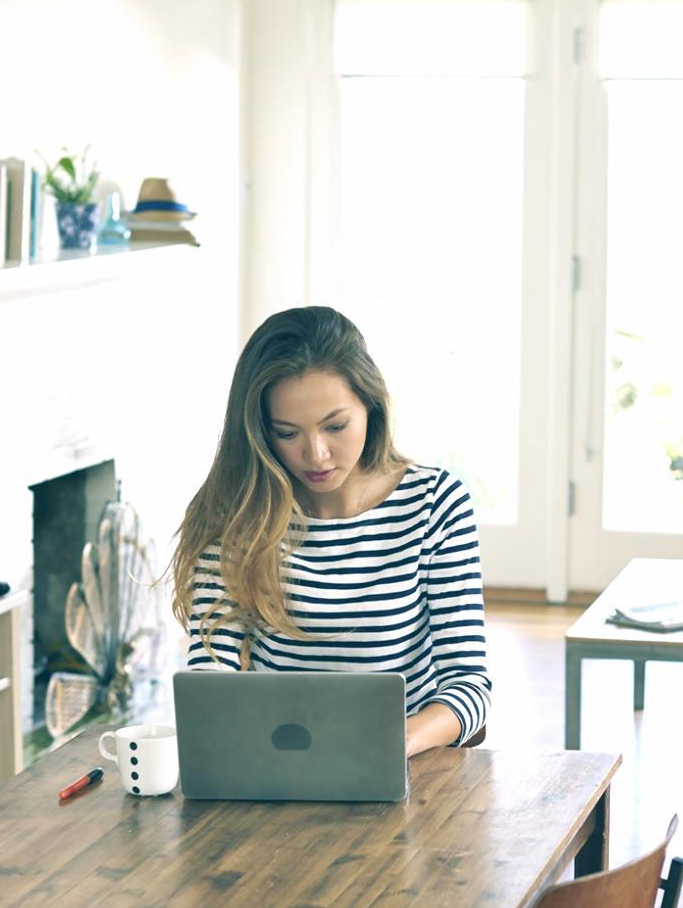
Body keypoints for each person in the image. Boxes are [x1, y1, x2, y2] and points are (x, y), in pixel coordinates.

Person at [170, 304, 492, 758]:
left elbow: (470, 687)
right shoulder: (239, 515)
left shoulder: (435, 503)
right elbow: (210, 679)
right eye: (287, 433)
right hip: (276, 767)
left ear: (371, 406)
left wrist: (396, 741)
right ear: (261, 432)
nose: (316, 455)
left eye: (335, 426)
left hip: (405, 772)